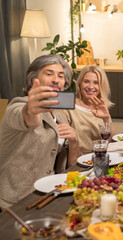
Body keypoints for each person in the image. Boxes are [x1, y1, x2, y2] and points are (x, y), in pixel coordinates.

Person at [0, 54, 82, 208]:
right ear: (33, 80)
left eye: (60, 76)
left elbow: (71, 165)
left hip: (52, 193)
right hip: (19, 198)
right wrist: (31, 111)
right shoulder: (17, 105)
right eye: (49, 73)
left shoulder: (60, 116)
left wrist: (74, 140)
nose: (56, 79)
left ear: (64, 83)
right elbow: (27, 117)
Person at [60, 65, 115, 154]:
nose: (90, 86)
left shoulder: (100, 106)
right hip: (77, 160)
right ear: (80, 83)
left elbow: (111, 141)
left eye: (96, 83)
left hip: (99, 156)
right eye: (86, 81)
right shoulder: (69, 106)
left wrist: (107, 119)